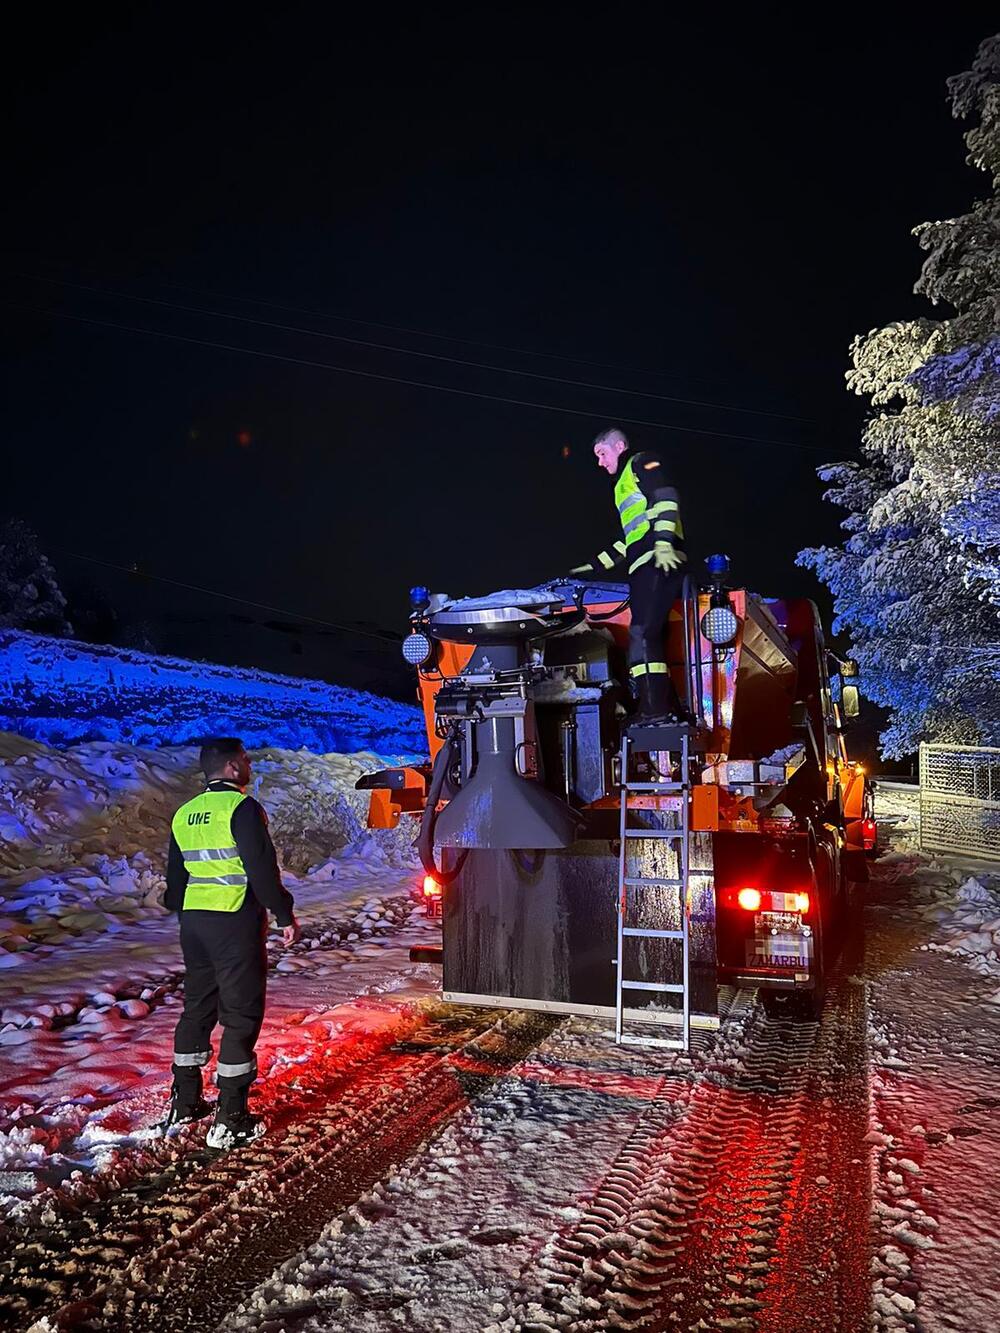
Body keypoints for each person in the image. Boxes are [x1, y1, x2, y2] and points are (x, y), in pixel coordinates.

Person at [161, 737, 299, 1148]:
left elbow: (175, 881)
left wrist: (181, 907)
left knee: (198, 1007)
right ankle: (231, 1117)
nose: (250, 764)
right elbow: (261, 868)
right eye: (245, 759)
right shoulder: (242, 808)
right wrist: (283, 912)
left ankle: (186, 1102)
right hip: (233, 921)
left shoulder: (184, 814)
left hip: (194, 923)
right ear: (234, 768)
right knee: (240, 1012)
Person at [569, 427, 689, 723]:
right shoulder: (621, 484)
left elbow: (666, 497)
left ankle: (655, 710)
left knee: (642, 634)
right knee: (650, 635)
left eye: (602, 453)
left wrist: (663, 543)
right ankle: (665, 707)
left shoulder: (641, 462)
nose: (599, 462)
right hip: (644, 564)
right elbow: (631, 536)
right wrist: (596, 565)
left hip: (658, 561)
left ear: (619, 446)